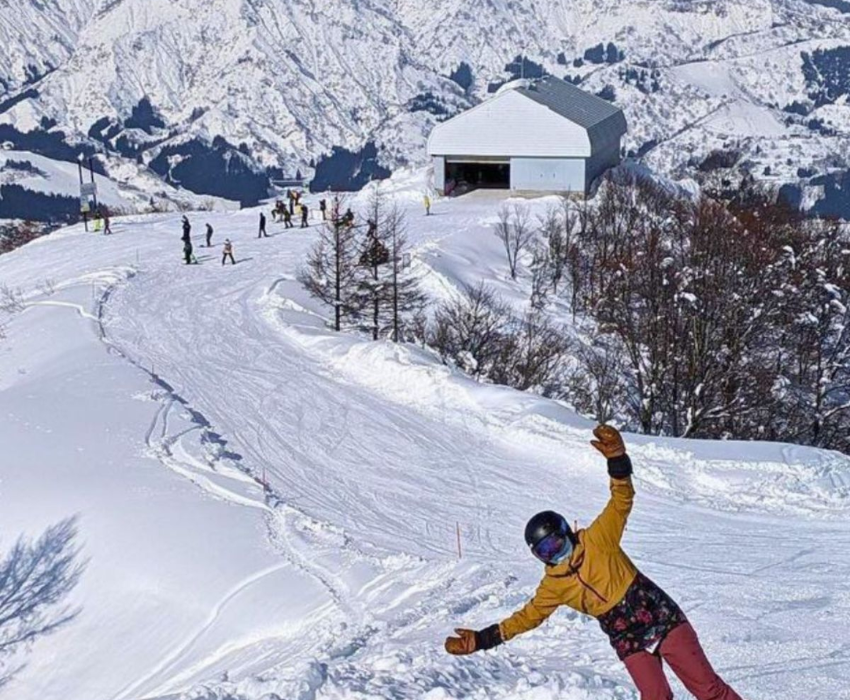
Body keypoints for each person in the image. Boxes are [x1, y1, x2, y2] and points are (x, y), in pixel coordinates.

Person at [444, 425, 744, 700]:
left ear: (567, 533)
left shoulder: (598, 539)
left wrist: (617, 460)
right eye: (546, 552)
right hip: (626, 636)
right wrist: (482, 640)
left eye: (556, 543)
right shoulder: (553, 586)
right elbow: (526, 618)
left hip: (658, 615)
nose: (556, 554)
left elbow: (621, 500)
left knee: (708, 689)